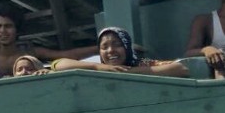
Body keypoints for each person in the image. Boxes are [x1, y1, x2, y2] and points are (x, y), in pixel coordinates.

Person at [0, 4, 95, 81]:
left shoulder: (28, 50)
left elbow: (67, 55)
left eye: (8, 26)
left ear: (17, 29)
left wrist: (99, 48)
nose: (2, 31)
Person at [53, 27, 188, 77]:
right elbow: (58, 64)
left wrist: (126, 72)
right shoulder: (96, 66)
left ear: (127, 47)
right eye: (104, 47)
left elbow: (180, 69)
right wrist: (98, 67)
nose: (110, 50)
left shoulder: (142, 63)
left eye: (117, 44)